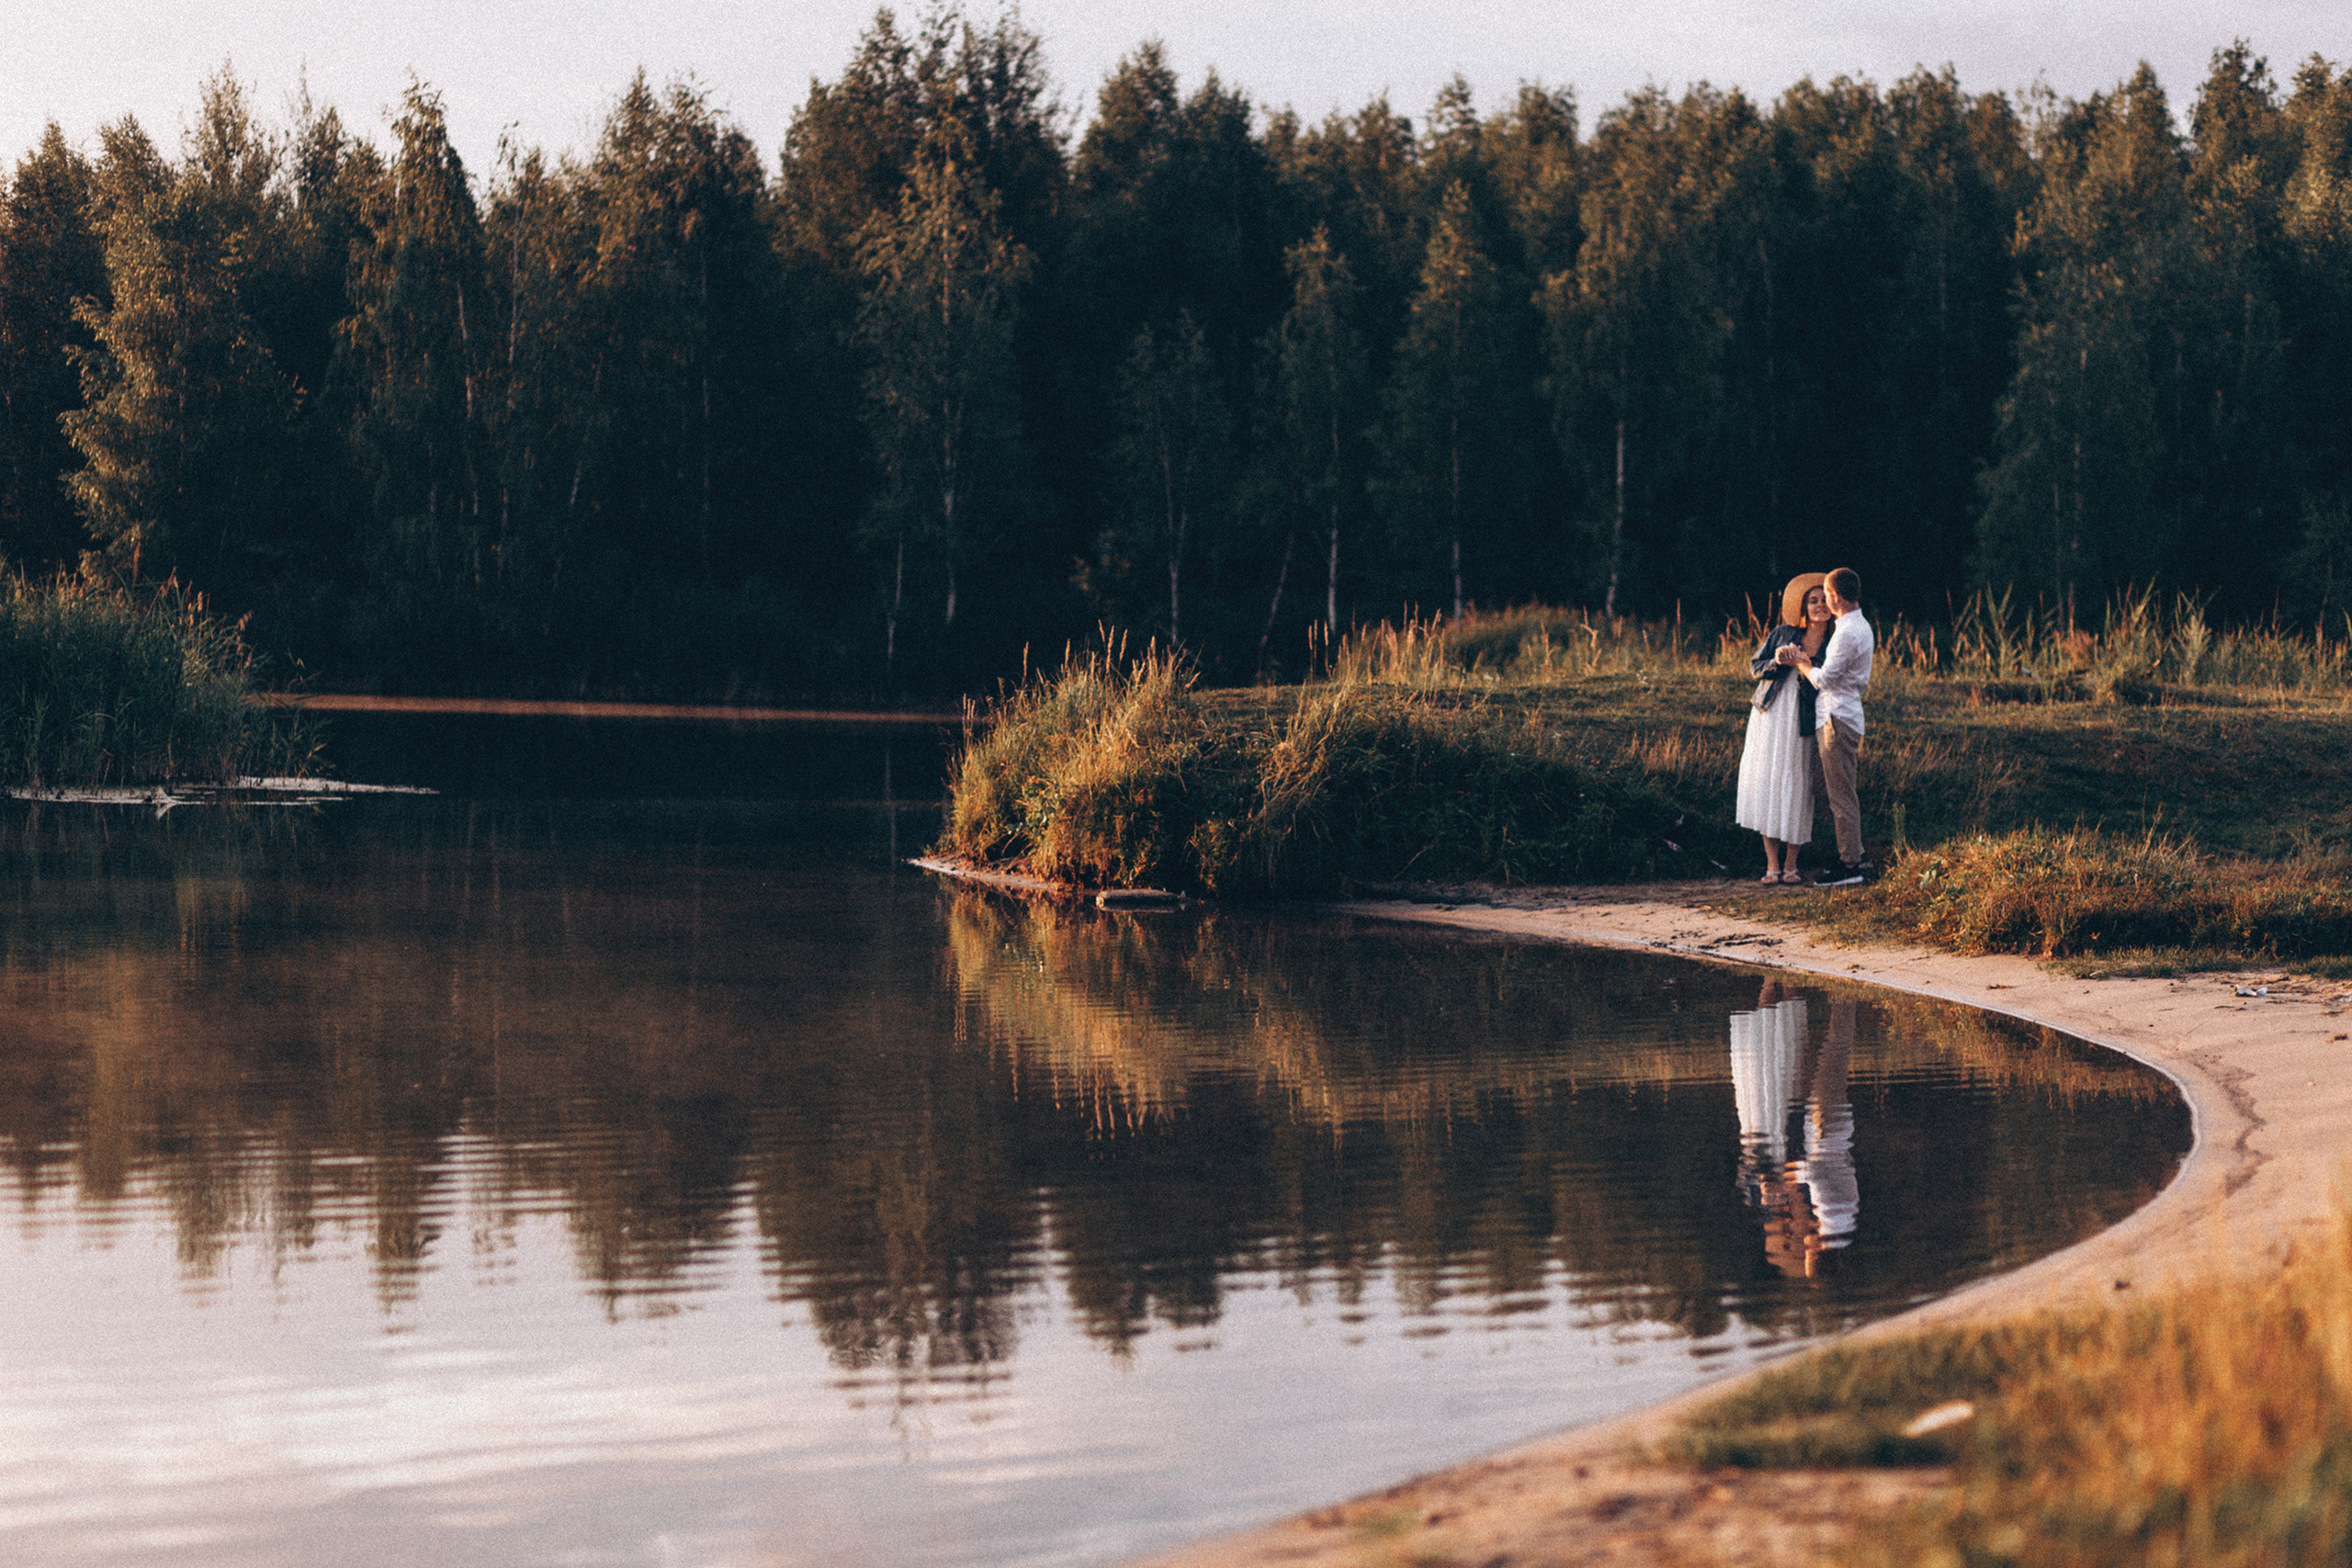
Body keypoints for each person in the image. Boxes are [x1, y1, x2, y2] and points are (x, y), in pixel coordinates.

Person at [1777, 566, 1874, 886]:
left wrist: (1801, 661)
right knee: (1829, 788)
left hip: (1837, 716)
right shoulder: (1858, 625)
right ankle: (1854, 852)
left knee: (1840, 794)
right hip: (1837, 715)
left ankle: (1850, 865)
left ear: (1835, 597)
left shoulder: (1847, 632)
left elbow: (1824, 679)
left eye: (1827, 595)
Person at [1735, 574, 1834, 883]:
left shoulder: (1834, 643)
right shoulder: (1782, 633)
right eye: (1813, 600)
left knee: (1798, 785)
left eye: (1823, 600)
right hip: (1771, 715)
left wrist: (1804, 667)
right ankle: (1772, 866)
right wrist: (1777, 661)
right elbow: (1754, 667)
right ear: (1804, 606)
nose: (1819, 605)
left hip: (1804, 720)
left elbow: (1829, 687)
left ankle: (1792, 865)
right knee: (1769, 782)